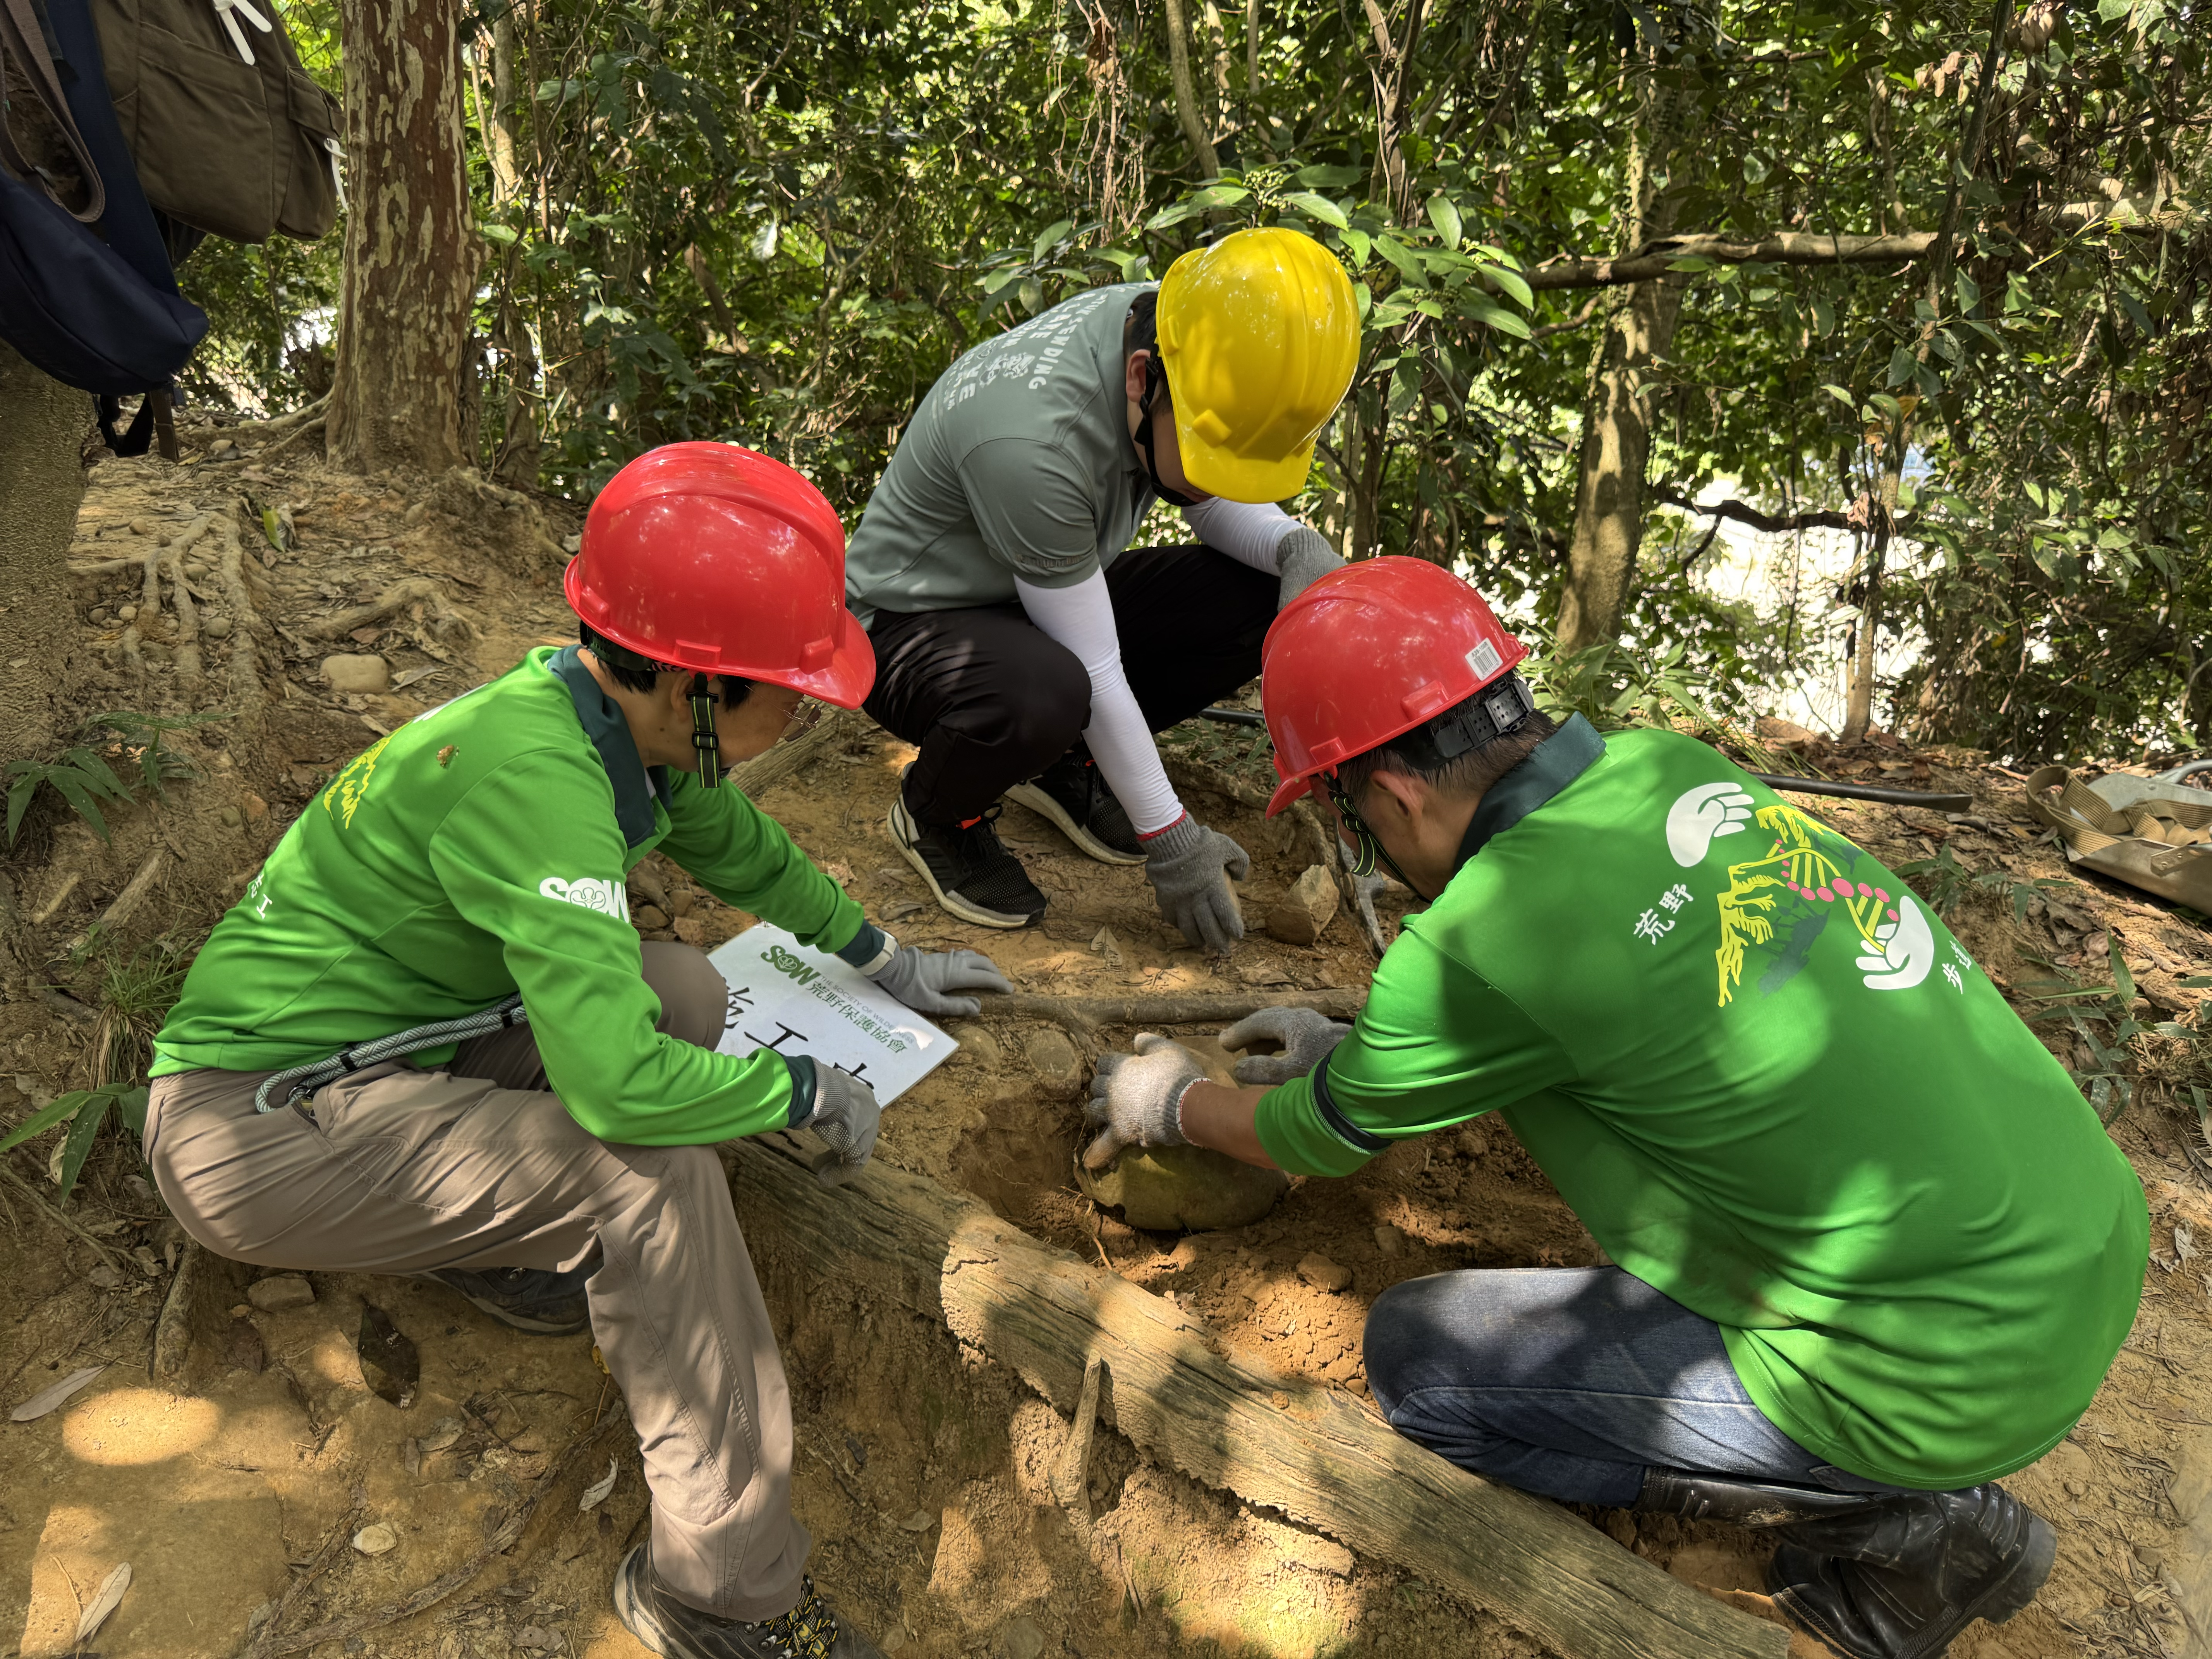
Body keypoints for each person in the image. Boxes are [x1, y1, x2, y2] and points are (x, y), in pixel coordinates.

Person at [1079, 557, 2149, 1659]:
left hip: (1932, 1378)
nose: (1370, 853)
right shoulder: (1670, 770)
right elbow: (1646, 999)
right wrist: (1364, 1049)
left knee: (1423, 1364)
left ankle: (1912, 1520)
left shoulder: (1479, 937)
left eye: (1352, 819)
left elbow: (1317, 1140)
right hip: (2088, 1249)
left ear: (1393, 791)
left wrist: (1172, 1101)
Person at [145, 443, 1008, 1659]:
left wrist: (888, 960)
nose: (808, 708)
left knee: (682, 987)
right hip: (256, 1125)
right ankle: (715, 1589)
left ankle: (488, 1249)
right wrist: (803, 1081)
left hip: (381, 1059)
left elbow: (745, 853)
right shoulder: (539, 777)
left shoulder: (612, 722)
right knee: (642, 1166)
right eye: (787, 689)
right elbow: (614, 1090)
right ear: (693, 684)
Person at [845, 225, 1359, 947]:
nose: (1220, 477)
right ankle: (936, 810)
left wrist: (1293, 545)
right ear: (1142, 379)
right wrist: (1173, 840)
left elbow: (1207, 497)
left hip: (1037, 587)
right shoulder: (1032, 448)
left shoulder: (1179, 334)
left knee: (1257, 597)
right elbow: (1094, 667)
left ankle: (1059, 763)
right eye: (1212, 453)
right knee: (1048, 691)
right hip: (909, 624)